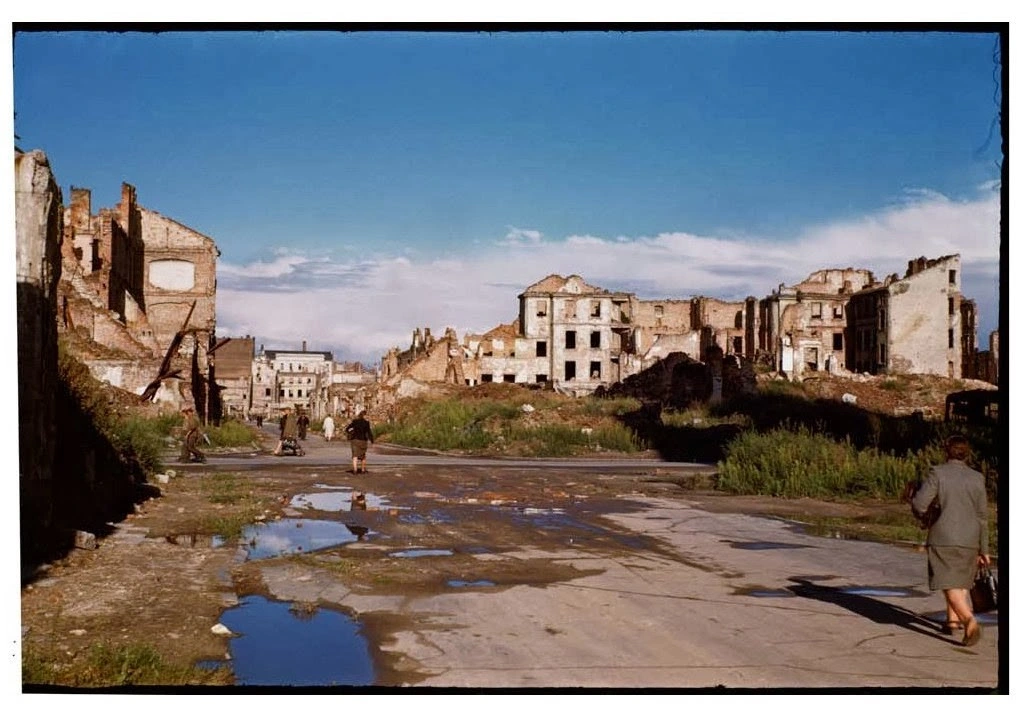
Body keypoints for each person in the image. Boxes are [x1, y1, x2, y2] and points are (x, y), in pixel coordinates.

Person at [911, 434, 990, 647]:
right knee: (961, 581)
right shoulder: (977, 478)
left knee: (948, 583)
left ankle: (969, 621)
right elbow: (983, 517)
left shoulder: (938, 474)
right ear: (967, 453)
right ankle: (952, 621)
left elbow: (920, 504)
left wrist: (927, 515)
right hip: (971, 539)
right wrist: (984, 549)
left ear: (946, 451)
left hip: (943, 536)